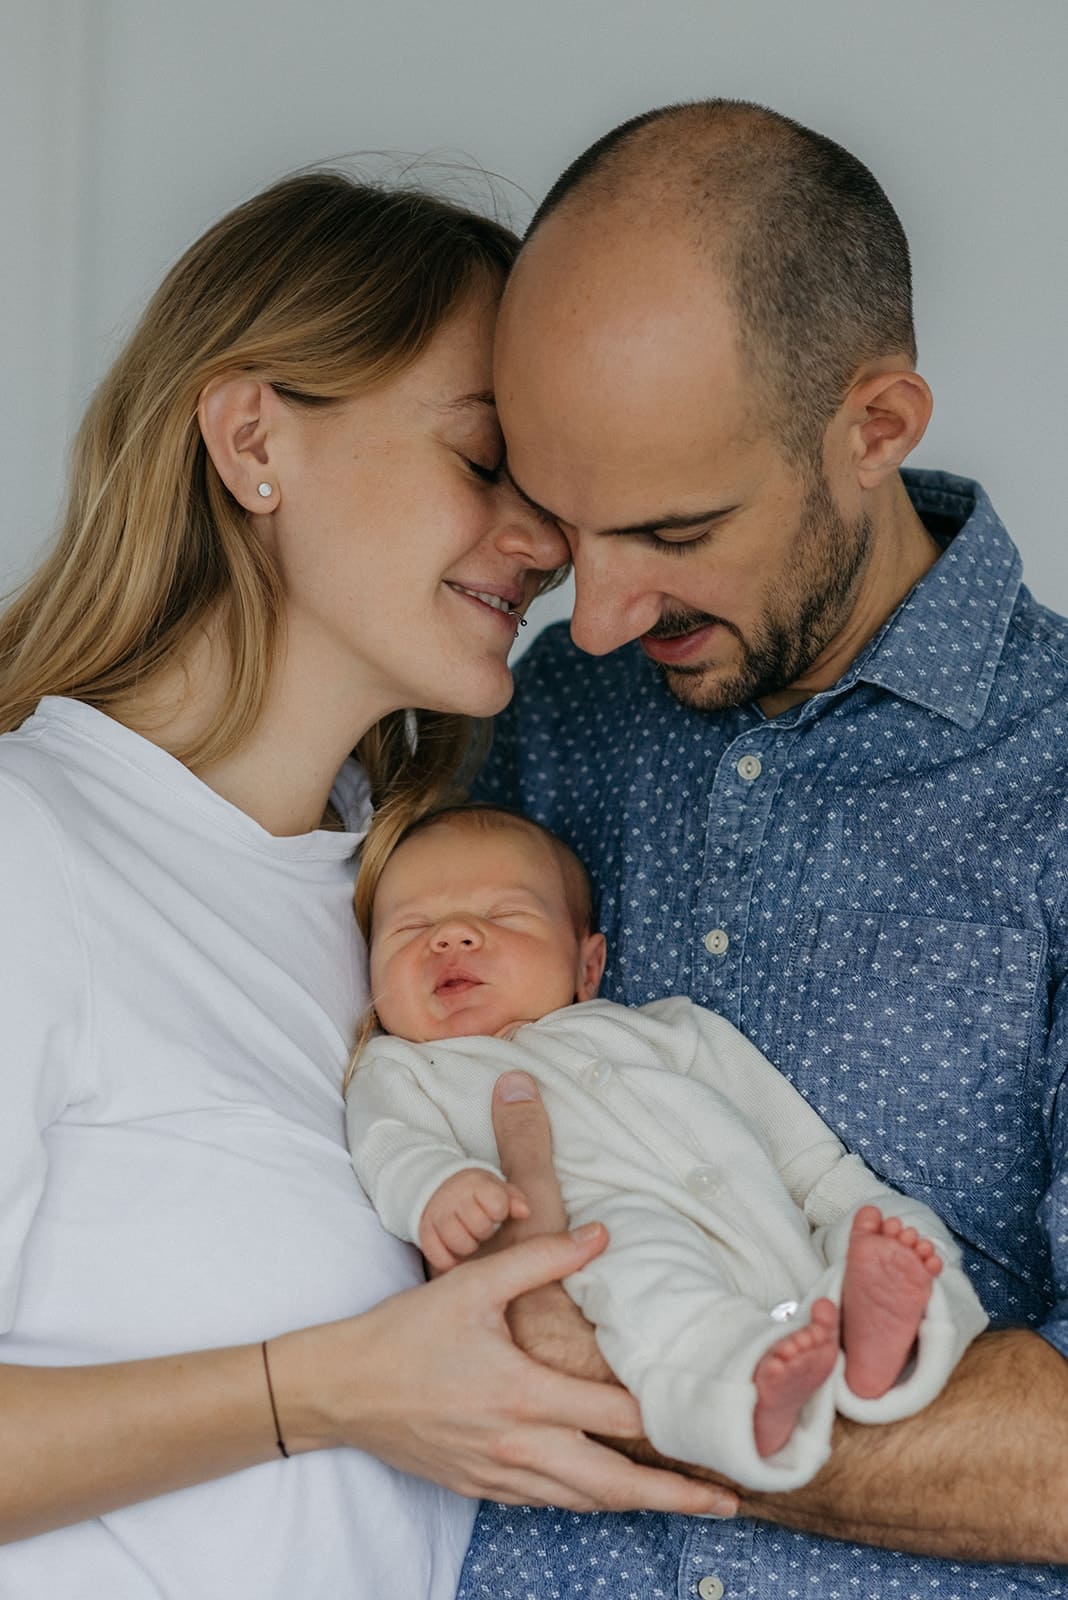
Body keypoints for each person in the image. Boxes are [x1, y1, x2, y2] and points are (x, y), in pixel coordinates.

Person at [0, 169, 730, 1598]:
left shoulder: (415, 917)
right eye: (481, 462)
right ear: (253, 435)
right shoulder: (29, 850)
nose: (548, 546)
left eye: (552, 491)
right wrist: (320, 1390)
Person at [457, 100, 1068, 1597]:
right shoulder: (549, 718)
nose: (590, 618)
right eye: (560, 518)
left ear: (876, 428)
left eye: (672, 531)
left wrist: (625, 1402)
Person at [347, 803, 987, 1491]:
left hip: (783, 1229)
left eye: (504, 917)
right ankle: (741, 1397)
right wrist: (437, 1188)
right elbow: (388, 1142)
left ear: (586, 966)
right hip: (609, 1238)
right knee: (637, 1259)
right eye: (410, 929)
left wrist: (852, 1207)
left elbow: (803, 1155)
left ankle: (892, 1345)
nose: (452, 938)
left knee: (891, 1231)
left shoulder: (675, 1030)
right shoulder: (407, 1067)